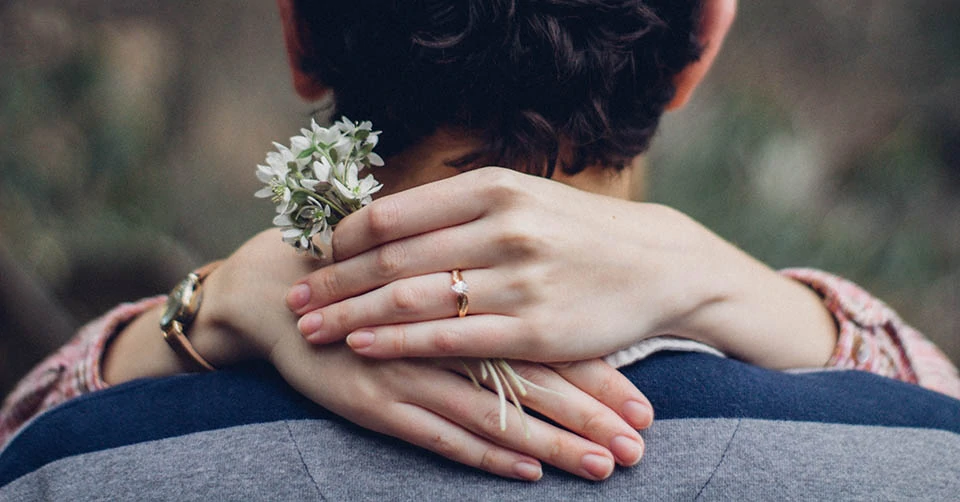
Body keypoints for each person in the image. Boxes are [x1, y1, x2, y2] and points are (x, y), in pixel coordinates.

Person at [2, 0, 959, 495]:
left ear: (298, 36)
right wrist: (727, 283)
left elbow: (24, 441)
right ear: (701, 45)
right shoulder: (917, 464)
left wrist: (206, 304)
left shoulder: (80, 467)